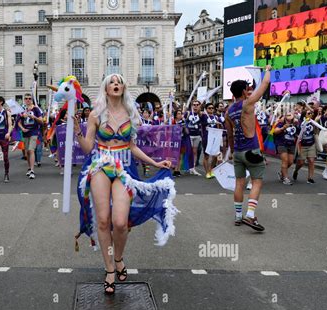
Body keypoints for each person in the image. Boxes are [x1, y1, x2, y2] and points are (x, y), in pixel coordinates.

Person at [74, 74, 176, 295]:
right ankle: (109, 269)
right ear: (106, 88)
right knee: (103, 220)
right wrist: (77, 131)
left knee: (120, 222)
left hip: (125, 168)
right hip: (100, 165)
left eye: (119, 81)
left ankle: (118, 257)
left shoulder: (131, 114)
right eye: (112, 82)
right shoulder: (96, 114)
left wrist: (154, 162)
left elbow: (133, 147)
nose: (116, 84)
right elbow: (86, 147)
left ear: (124, 87)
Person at [225, 65, 272, 232]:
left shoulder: (228, 111)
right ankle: (250, 215)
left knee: (239, 183)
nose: (250, 91)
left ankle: (238, 216)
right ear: (245, 92)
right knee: (257, 182)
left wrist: (231, 152)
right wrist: (267, 69)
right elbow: (265, 84)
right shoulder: (248, 103)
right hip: (252, 149)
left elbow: (229, 135)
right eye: (248, 89)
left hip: (237, 151)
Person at [18, 93, 43, 179]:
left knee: (31, 150)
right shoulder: (22, 110)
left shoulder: (36, 109)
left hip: (34, 132)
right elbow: (19, 122)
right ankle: (29, 168)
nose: (28, 100)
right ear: (24, 100)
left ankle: (32, 170)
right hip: (25, 133)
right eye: (26, 99)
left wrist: (34, 117)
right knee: (27, 152)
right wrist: (22, 129)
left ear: (32, 100)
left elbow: (41, 121)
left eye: (29, 98)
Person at [293, 110, 317, 184]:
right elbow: (296, 134)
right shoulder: (299, 123)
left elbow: (316, 131)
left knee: (311, 161)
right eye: (308, 113)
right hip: (302, 145)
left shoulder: (312, 122)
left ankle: (310, 178)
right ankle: (296, 170)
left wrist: (316, 126)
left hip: (311, 144)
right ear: (304, 115)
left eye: (311, 113)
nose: (310, 115)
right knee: (301, 162)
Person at [273, 113, 298, 185]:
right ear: (285, 117)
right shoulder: (281, 123)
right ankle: (286, 178)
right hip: (282, 144)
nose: (290, 116)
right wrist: (283, 128)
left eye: (291, 115)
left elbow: (299, 133)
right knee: (285, 160)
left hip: (291, 144)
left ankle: (281, 173)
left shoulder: (295, 124)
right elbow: (275, 131)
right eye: (288, 115)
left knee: (290, 162)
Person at [201, 103, 222, 179]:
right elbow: (203, 122)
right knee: (206, 155)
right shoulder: (204, 116)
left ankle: (211, 170)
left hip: (214, 138)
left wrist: (219, 124)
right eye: (209, 108)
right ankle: (207, 172)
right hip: (206, 138)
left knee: (215, 155)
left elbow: (219, 126)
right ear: (206, 109)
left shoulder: (216, 116)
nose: (211, 109)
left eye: (212, 108)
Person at [186, 100, 203, 175]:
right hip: (189, 135)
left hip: (197, 135)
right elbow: (183, 121)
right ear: (191, 106)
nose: (195, 106)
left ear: (199, 106)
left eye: (197, 105)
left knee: (195, 151)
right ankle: (188, 167)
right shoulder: (188, 113)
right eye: (194, 105)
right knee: (189, 152)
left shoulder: (201, 114)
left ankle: (193, 168)